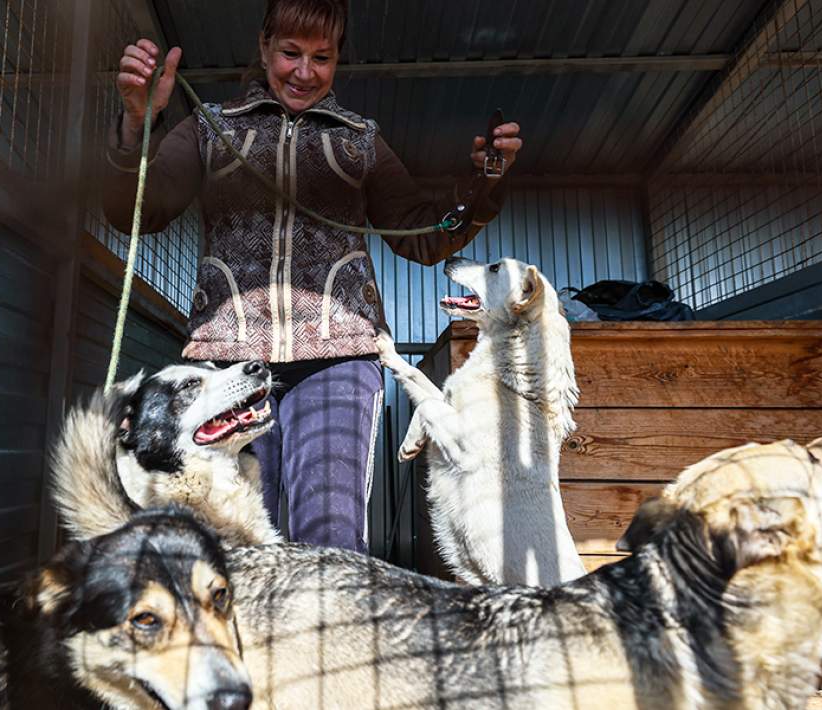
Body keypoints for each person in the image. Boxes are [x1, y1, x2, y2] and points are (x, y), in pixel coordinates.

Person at [102, 0, 521, 553]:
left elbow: (421, 235)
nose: (304, 72)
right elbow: (140, 210)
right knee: (237, 540)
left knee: (329, 542)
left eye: (321, 57)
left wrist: (482, 186)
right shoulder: (211, 128)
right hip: (229, 365)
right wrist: (137, 121)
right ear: (263, 48)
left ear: (338, 59)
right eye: (290, 53)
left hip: (338, 362)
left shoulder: (360, 141)